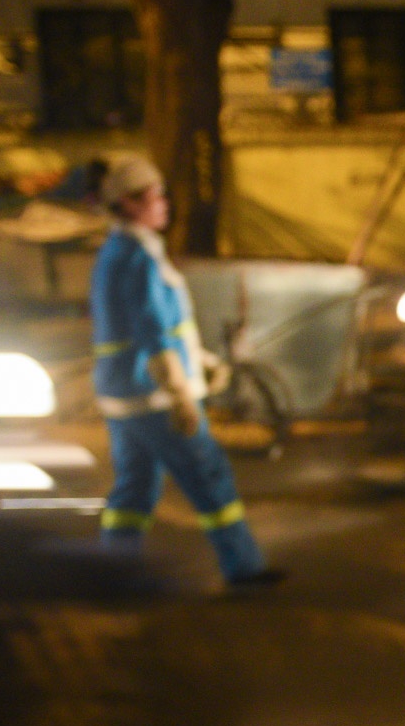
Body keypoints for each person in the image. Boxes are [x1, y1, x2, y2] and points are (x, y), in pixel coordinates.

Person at [88, 154, 281, 588]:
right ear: (129, 203)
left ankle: (111, 573)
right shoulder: (137, 255)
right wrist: (179, 392)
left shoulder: (117, 250)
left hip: (123, 393)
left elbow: (157, 328)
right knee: (208, 477)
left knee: (134, 488)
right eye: (154, 196)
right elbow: (152, 329)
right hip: (154, 394)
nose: (164, 202)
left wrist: (203, 362)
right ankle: (244, 567)